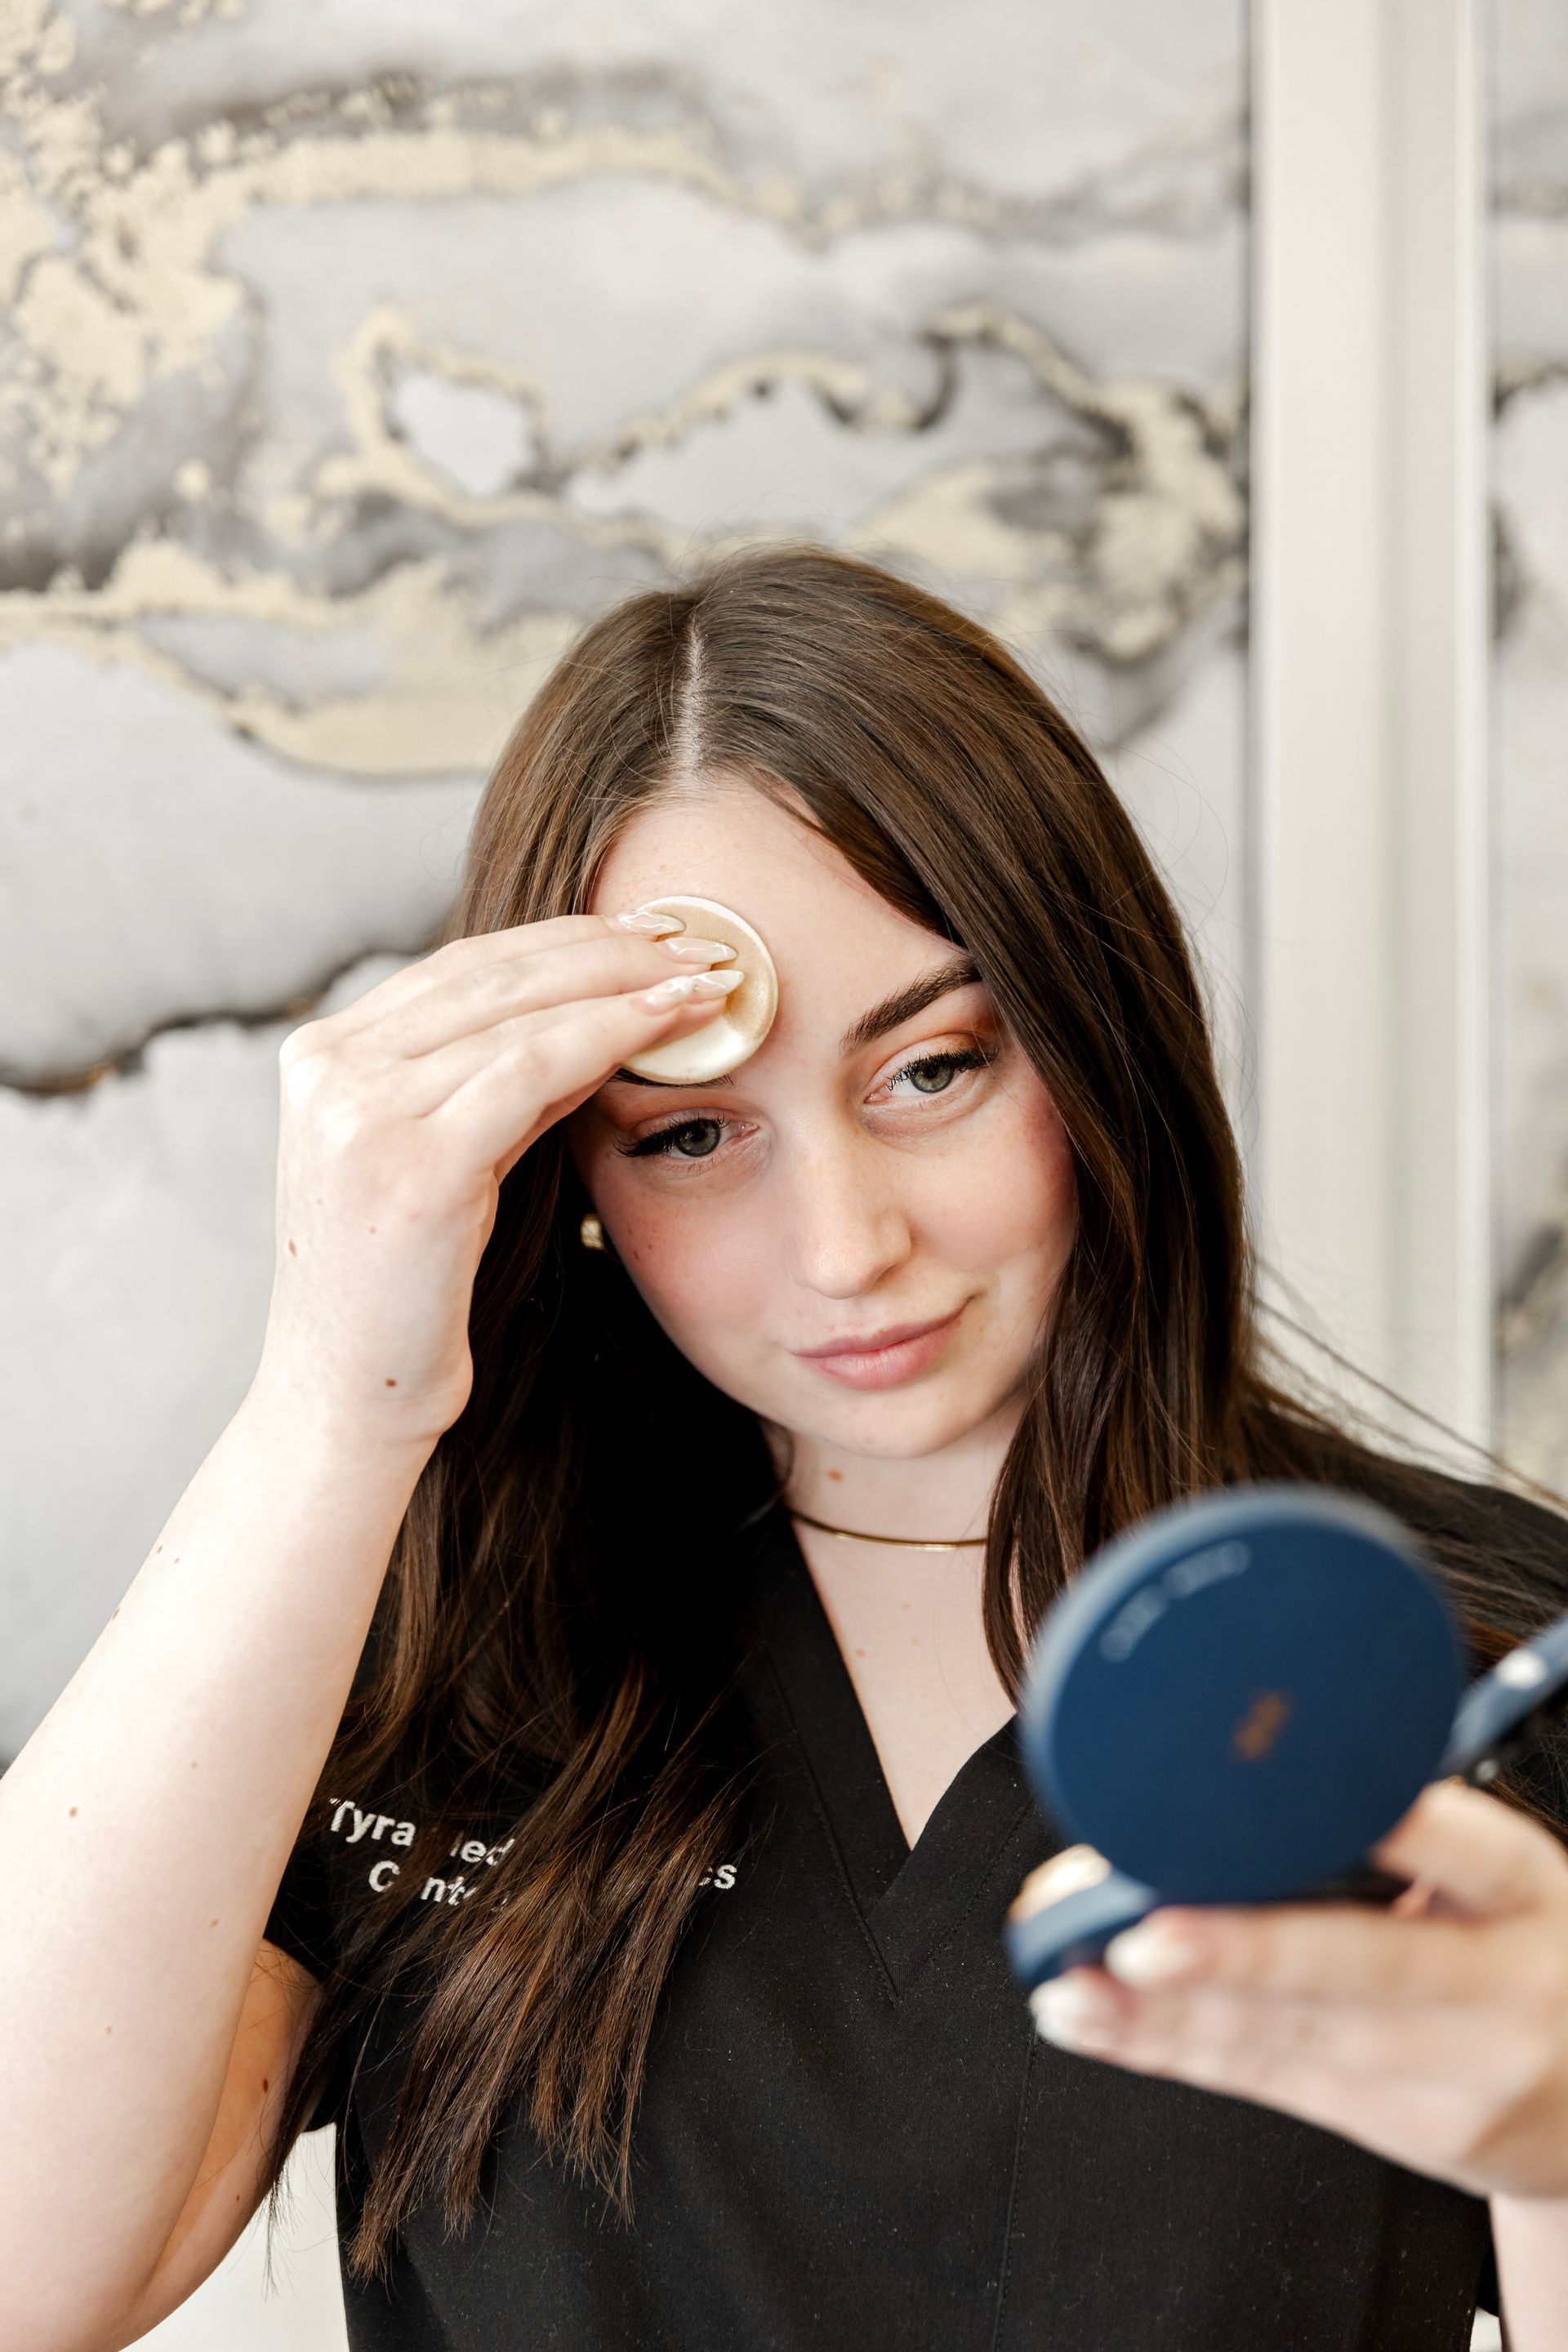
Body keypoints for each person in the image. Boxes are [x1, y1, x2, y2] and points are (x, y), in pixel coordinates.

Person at [4, 546, 1568, 2352]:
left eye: (935, 1069)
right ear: (563, 1178)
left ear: (1094, 1033)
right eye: (687, 1138)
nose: (844, 1247)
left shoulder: (1485, 1665)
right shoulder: (418, 1667)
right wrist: (328, 1403)